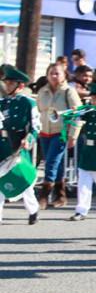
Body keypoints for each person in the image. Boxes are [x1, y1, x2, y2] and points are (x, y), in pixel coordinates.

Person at [37, 63, 82, 209]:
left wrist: (73, 135)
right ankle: (61, 196)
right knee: (57, 164)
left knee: (51, 162)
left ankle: (44, 196)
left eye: (57, 73)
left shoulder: (69, 91)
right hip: (44, 132)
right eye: (51, 73)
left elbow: (78, 114)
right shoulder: (42, 91)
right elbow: (39, 111)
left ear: (64, 75)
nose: (54, 76)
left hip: (60, 133)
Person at [67, 84, 96, 221]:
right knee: (83, 181)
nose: (92, 100)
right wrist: (74, 112)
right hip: (88, 150)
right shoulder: (88, 111)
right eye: (92, 97)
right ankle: (81, 210)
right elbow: (75, 119)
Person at [0, 67, 40, 225]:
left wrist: (28, 139)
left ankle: (33, 209)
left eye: (11, 83)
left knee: (22, 181)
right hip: (2, 145)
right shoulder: (1, 103)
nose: (7, 85)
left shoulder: (28, 103)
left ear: (20, 86)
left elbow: (36, 127)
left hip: (17, 145)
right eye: (7, 82)